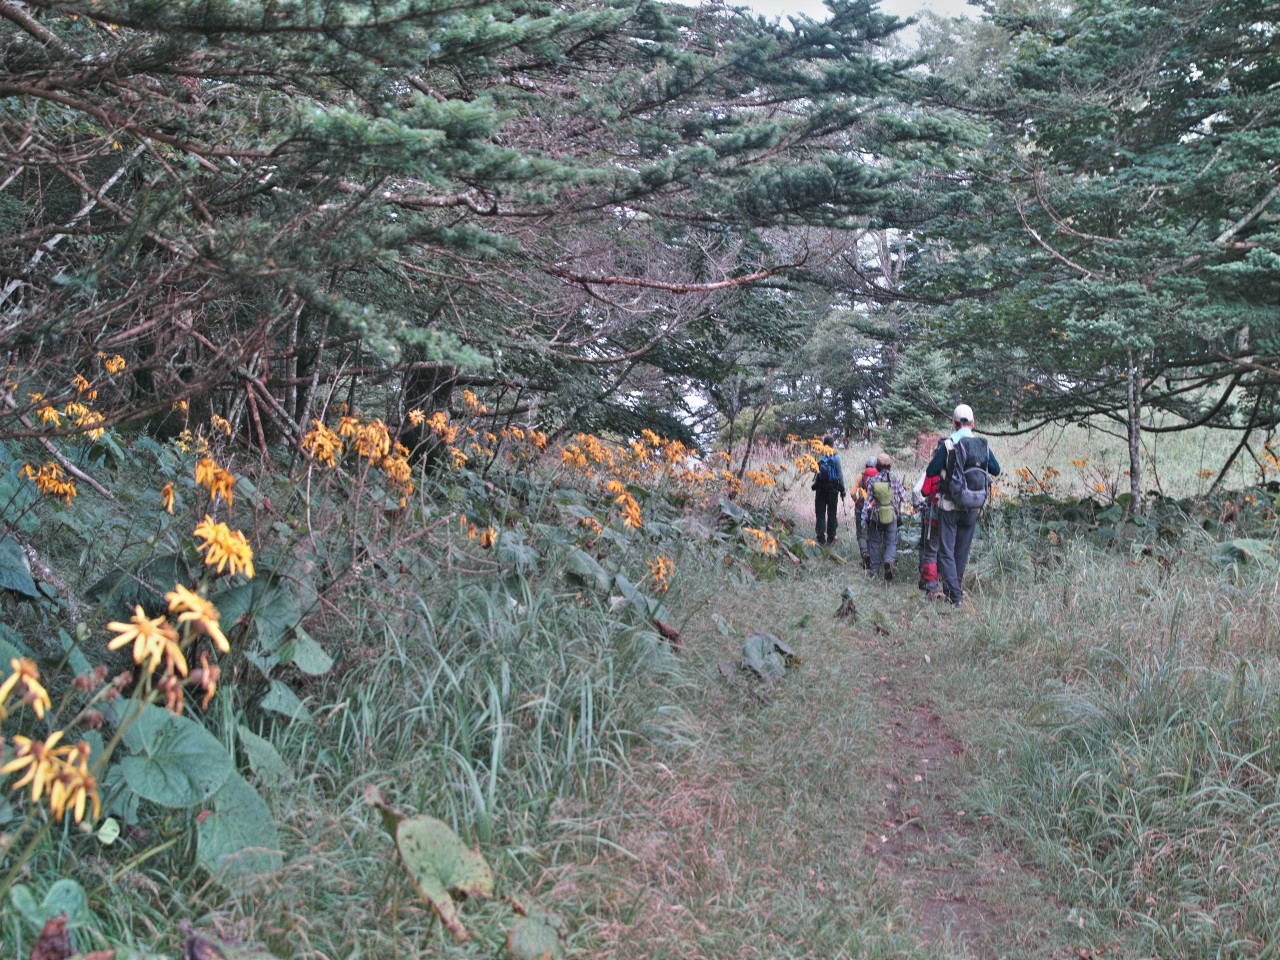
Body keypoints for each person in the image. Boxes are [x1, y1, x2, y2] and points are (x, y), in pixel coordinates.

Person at [924, 404, 1001, 606]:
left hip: (949, 505)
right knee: (961, 552)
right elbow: (996, 469)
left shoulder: (949, 445)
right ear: (973, 424)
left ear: (954, 423)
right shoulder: (983, 446)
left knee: (946, 552)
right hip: (973, 506)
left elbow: (931, 471)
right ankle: (953, 592)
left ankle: (955, 597)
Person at [861, 453, 908, 580]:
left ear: (878, 466)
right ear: (889, 466)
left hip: (876, 517)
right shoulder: (895, 479)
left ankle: (874, 572)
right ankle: (888, 561)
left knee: (875, 543)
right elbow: (905, 498)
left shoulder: (872, 480)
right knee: (891, 543)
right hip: (892, 516)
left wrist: (863, 518)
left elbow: (867, 502)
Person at [811, 436, 846, 545]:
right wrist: (842, 489)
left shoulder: (820, 455)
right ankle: (831, 538)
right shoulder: (836, 457)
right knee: (832, 514)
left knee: (820, 514)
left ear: (823, 444)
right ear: (833, 444)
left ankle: (820, 538)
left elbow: (814, 469)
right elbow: (839, 474)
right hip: (833, 490)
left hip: (820, 489)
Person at [913, 470, 941, 599]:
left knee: (927, 548)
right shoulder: (959, 467)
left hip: (932, 515)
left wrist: (916, 505)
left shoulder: (930, 471)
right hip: (954, 518)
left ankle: (928, 581)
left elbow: (916, 490)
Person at [854, 455, 878, 569]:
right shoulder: (880, 475)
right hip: (874, 508)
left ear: (866, 466)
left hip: (861, 507)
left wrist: (856, 501)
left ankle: (865, 554)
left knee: (861, 533)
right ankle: (873, 559)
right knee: (872, 533)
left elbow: (852, 492)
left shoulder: (861, 475)